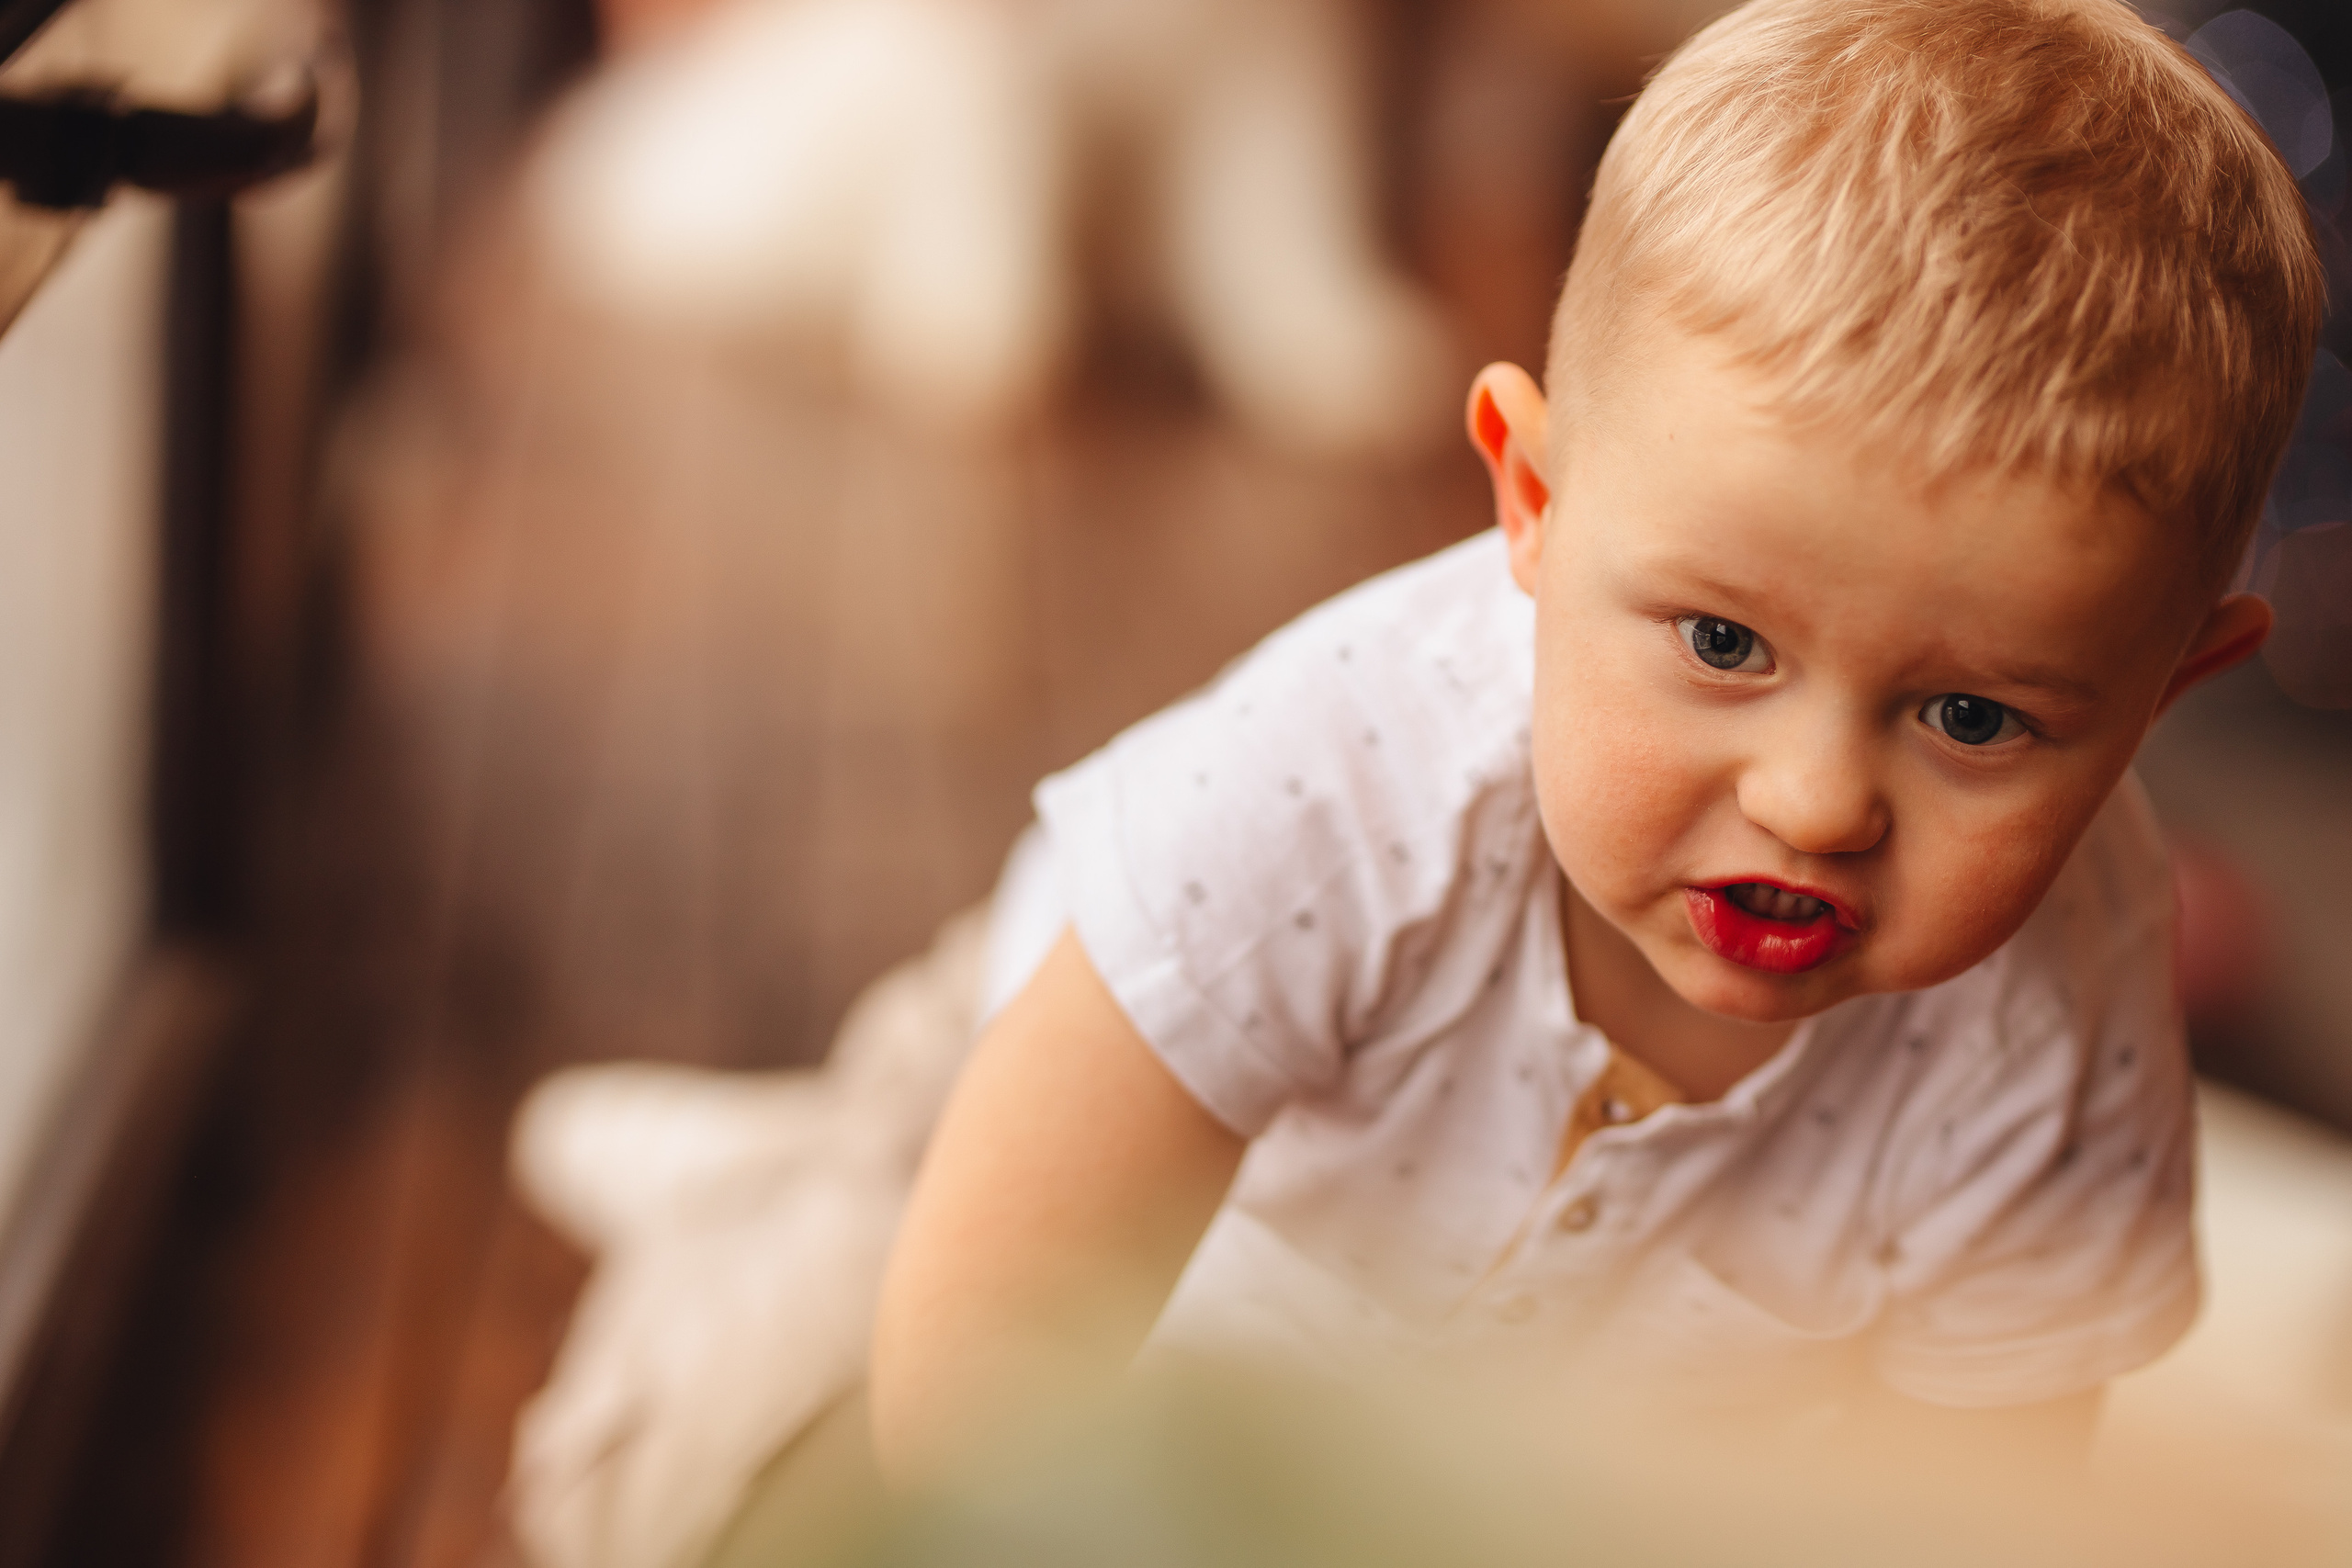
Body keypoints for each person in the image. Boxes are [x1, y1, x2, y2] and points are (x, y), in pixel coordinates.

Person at [865, 0, 2323, 1492]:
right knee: (745, 1429)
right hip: (1100, 1195)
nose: (1814, 805)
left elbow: (1977, 1512)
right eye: (1721, 643)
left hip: (1576, 1462)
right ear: (1535, 505)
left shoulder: (2058, 1016)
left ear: (2165, 688)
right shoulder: (1328, 791)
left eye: (1972, 718)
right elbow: (982, 1390)